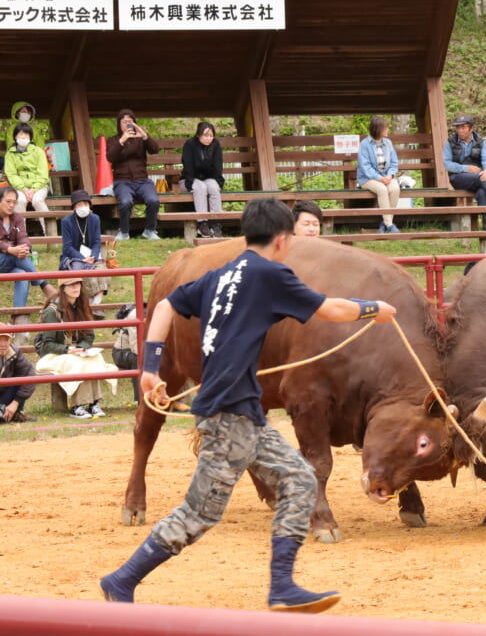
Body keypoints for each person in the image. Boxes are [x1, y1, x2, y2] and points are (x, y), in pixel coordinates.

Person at [100, 198, 397, 612]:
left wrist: (151, 366)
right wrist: (374, 310)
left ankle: (281, 586)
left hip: (238, 411)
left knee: (299, 479)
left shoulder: (223, 273)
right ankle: (122, 579)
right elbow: (330, 308)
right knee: (199, 513)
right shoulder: (272, 274)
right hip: (229, 415)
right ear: (281, 240)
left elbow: (165, 306)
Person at [35, 276, 117, 419]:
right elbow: (47, 345)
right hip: (54, 354)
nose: (75, 288)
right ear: (63, 289)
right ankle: (77, 406)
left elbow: (89, 336)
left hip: (75, 351)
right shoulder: (52, 311)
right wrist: (68, 350)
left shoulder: (82, 306)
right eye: (71, 285)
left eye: (78, 284)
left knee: (95, 358)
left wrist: (81, 347)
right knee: (76, 362)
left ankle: (94, 403)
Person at [0, 186, 59, 323]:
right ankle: (44, 285)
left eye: (14, 202)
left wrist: (25, 248)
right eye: (8, 201)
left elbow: (23, 237)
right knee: (15, 255)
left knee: (23, 275)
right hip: (4, 258)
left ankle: (17, 315)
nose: (12, 205)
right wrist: (10, 249)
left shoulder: (17, 218)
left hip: (13, 262)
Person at [443, 114, 486, 230]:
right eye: (458, 128)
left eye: (463, 128)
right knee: (480, 178)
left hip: (478, 179)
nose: (460, 130)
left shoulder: (480, 142)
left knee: (482, 192)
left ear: (471, 128)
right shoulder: (450, 142)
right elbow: (447, 164)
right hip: (458, 178)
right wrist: (466, 168)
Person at [107, 109, 161, 240]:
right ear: (119, 124)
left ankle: (150, 230)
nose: (127, 124)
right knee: (125, 202)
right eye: (124, 121)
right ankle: (124, 232)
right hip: (122, 181)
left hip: (142, 180)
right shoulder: (114, 140)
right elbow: (110, 157)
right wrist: (122, 140)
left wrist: (144, 136)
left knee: (153, 200)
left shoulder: (140, 139)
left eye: (130, 121)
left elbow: (155, 149)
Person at [60, 189, 109, 307]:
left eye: (86, 204)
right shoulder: (66, 221)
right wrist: (82, 259)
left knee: (102, 269)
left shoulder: (95, 218)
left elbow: (97, 241)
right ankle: (90, 300)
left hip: (91, 255)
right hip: (74, 257)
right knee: (86, 272)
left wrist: (93, 255)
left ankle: (98, 297)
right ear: (74, 207)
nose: (83, 207)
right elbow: (67, 247)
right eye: (80, 204)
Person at [356, 116, 402, 234]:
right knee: (382, 190)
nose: (387, 130)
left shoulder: (388, 143)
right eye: (385, 128)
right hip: (368, 179)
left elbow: (394, 162)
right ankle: (390, 225)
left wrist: (390, 175)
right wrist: (379, 178)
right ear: (377, 129)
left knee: (395, 188)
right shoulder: (364, 144)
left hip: (387, 177)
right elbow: (364, 166)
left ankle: (385, 223)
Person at [5, 122, 51, 235]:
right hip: (19, 188)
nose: (23, 137)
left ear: (30, 137)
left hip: (39, 187)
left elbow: (43, 174)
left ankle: (50, 233)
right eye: (21, 134)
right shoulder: (10, 154)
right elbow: (11, 174)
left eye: (26, 135)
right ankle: (20, 235)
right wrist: (24, 189)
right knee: (19, 201)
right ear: (15, 136)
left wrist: (33, 189)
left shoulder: (38, 152)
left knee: (38, 200)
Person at [180, 122, 225, 238]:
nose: (209, 138)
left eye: (211, 135)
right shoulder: (190, 144)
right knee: (200, 187)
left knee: (213, 187)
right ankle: (202, 223)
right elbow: (188, 166)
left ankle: (216, 223)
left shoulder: (215, 145)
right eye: (206, 135)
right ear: (198, 135)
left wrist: (218, 182)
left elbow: (217, 166)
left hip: (208, 179)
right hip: (189, 180)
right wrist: (190, 184)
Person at [0, 324, 37, 423]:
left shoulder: (14, 352)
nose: (3, 344)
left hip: (4, 392)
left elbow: (31, 375)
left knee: (22, 377)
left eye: (6, 340)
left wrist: (15, 403)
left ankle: (14, 412)